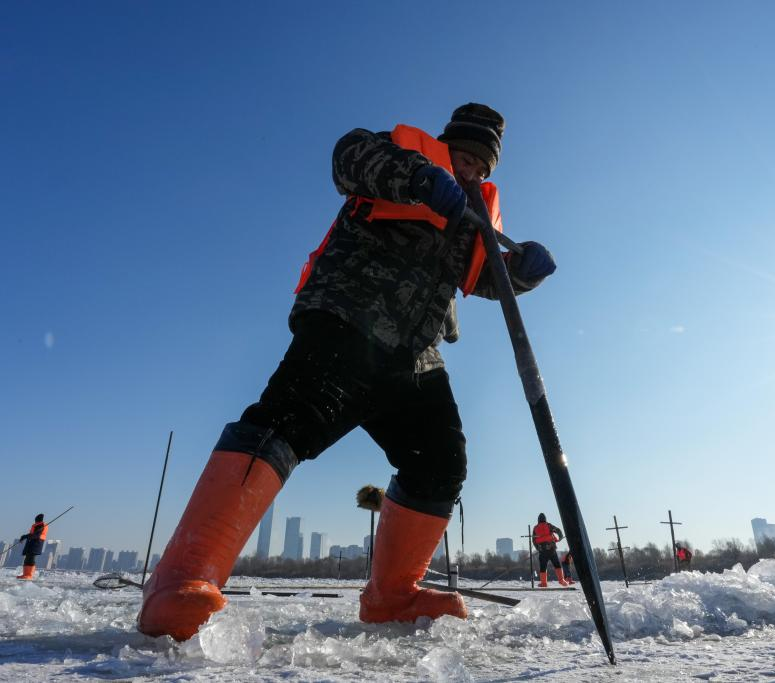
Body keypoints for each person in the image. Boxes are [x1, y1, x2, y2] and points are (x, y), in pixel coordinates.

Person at [136, 103, 557, 641]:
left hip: (415, 358)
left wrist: (522, 273)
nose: (472, 170)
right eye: (465, 156)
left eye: (482, 164)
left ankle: (392, 596)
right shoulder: (402, 157)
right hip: (349, 321)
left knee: (441, 463)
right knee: (284, 424)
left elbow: (481, 278)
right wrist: (420, 177)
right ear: (446, 144)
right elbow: (348, 157)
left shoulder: (473, 211)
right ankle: (183, 578)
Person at [532, 513, 569, 587]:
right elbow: (558, 530)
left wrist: (538, 548)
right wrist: (560, 537)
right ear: (545, 519)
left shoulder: (535, 528)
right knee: (557, 565)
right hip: (552, 550)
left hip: (542, 551)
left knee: (543, 567)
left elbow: (534, 540)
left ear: (538, 520)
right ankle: (562, 581)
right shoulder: (549, 525)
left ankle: (544, 583)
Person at [17, 514, 47, 580]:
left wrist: (26, 536)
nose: (35, 521)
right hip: (31, 544)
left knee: (31, 559)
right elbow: (32, 534)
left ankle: (29, 575)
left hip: (36, 544)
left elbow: (36, 535)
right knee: (27, 559)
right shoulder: (37, 525)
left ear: (38, 519)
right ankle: (25, 574)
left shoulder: (41, 525)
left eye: (36, 519)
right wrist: (24, 536)